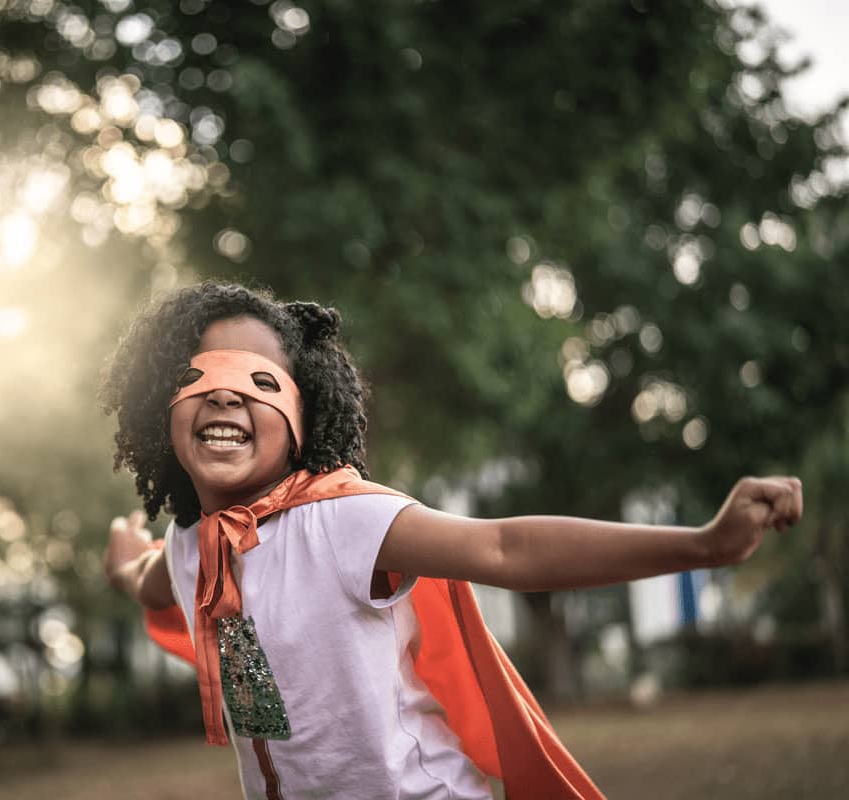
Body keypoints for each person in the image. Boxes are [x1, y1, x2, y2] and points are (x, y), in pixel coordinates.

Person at [99, 281, 803, 800]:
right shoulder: (193, 543)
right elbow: (152, 578)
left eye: (259, 382)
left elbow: (506, 549)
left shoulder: (343, 522)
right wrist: (125, 564)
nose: (226, 396)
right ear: (160, 409)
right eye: (198, 377)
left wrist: (704, 546)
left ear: (304, 415)